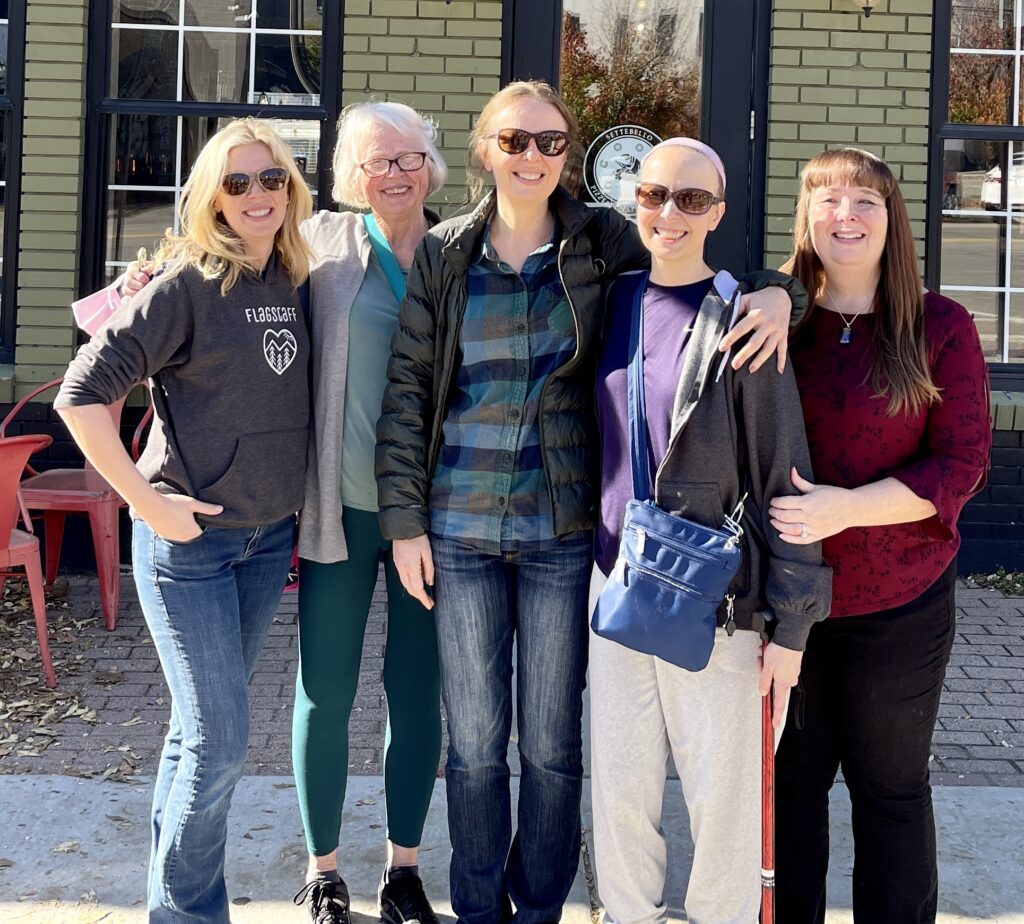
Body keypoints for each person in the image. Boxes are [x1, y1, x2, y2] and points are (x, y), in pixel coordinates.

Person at [375, 80, 801, 924]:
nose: (533, 156)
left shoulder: (602, 241)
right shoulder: (446, 252)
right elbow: (408, 393)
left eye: (551, 142)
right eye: (515, 140)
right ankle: (478, 907)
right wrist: (403, 520)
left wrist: (777, 285)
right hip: (457, 526)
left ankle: (540, 905)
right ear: (485, 150)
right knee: (472, 743)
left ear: (570, 156)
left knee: (552, 742)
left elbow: (694, 259)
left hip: (565, 532)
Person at [121, 101, 449, 924]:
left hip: (430, 518)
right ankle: (323, 870)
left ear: (432, 165)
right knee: (324, 691)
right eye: (378, 160)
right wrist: (139, 280)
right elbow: (205, 273)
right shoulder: (322, 246)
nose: (396, 173)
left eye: (409, 157)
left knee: (415, 693)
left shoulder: (461, 251)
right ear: (350, 174)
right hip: (333, 506)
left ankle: (403, 869)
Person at [55, 118, 313, 923]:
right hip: (190, 548)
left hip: (267, 542)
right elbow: (82, 396)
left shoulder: (294, 276)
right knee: (220, 743)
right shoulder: (187, 284)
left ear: (291, 187)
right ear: (209, 196)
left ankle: (170, 905)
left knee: (196, 736)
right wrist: (145, 501)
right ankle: (189, 914)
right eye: (235, 183)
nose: (256, 195)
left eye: (270, 179)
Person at [588, 138, 832, 924]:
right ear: (635, 200)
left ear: (718, 213)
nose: (670, 213)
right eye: (657, 195)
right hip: (617, 577)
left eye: (692, 200)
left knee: (723, 797)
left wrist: (792, 626)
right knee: (621, 784)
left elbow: (783, 479)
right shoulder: (610, 300)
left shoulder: (745, 322)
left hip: (716, 593)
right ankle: (627, 914)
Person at [771, 147, 991, 923]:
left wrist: (847, 509)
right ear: (806, 217)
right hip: (786, 604)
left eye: (865, 200)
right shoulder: (776, 319)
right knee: (791, 790)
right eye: (827, 199)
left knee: (889, 792)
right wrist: (772, 296)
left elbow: (961, 463)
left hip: (899, 603)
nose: (846, 214)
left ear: (892, 218)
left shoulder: (941, 326)